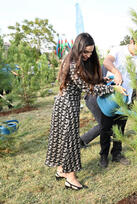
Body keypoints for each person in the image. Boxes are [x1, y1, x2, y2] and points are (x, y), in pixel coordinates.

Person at [45, 33, 126, 190]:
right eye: (85, 52)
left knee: (65, 138)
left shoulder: (78, 61)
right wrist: (113, 87)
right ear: (78, 48)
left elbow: (89, 81)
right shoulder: (73, 63)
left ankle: (61, 169)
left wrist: (103, 81)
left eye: (91, 52)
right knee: (70, 141)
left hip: (68, 104)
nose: (88, 55)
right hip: (66, 106)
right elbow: (89, 88)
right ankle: (70, 177)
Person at [80, 38, 137, 168]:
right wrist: (117, 72)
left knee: (120, 128)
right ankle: (103, 156)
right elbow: (107, 62)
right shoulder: (118, 50)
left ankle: (117, 154)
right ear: (132, 41)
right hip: (110, 96)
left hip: (125, 98)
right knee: (105, 127)